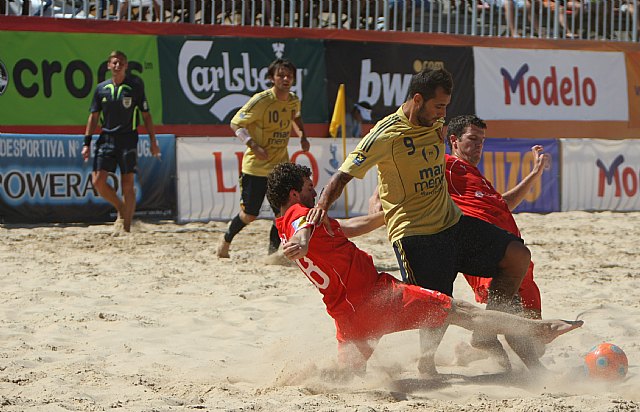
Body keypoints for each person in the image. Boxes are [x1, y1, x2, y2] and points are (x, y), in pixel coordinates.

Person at [307, 66, 538, 375]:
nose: (443, 112)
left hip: (452, 223)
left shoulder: (437, 123)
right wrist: (321, 205)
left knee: (517, 256)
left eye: (445, 106)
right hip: (414, 234)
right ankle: (423, 362)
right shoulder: (385, 134)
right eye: (439, 106)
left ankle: (484, 333)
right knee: (436, 306)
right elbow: (343, 175)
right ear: (418, 99)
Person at [268, 162, 582, 375]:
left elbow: (350, 226)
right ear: (294, 194)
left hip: (346, 316)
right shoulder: (300, 216)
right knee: (462, 312)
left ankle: (294, 377)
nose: (315, 192)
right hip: (377, 298)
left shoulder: (286, 223)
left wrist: (392, 212)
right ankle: (540, 329)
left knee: (343, 376)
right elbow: (301, 228)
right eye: (310, 187)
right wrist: (302, 237)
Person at [445, 115, 550, 321]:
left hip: (516, 258)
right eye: (473, 139)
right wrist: (378, 195)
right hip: (488, 253)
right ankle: (483, 339)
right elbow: (412, 170)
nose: (479, 146)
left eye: (482, 141)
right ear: (454, 140)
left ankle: (472, 350)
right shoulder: (448, 165)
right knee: (516, 323)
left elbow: (504, 205)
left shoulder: (475, 176)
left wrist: (535, 174)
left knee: (534, 331)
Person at [217, 58, 310, 259]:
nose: (285, 79)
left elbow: (296, 117)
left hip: (279, 167)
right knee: (250, 215)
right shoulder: (261, 101)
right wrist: (253, 145)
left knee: (283, 214)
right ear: (272, 78)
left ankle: (273, 254)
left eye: (289, 76)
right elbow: (235, 124)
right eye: (281, 75)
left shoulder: (293, 99)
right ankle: (225, 241)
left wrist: (302, 135)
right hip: (255, 168)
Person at [82, 50, 160, 233]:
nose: (117, 66)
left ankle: (126, 228)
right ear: (109, 65)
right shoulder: (101, 88)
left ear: (126, 66)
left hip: (128, 139)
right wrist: (86, 142)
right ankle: (121, 208)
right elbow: (93, 117)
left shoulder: (135, 86)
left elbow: (147, 116)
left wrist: (153, 141)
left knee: (127, 183)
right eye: (114, 63)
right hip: (106, 138)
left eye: (121, 63)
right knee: (98, 181)